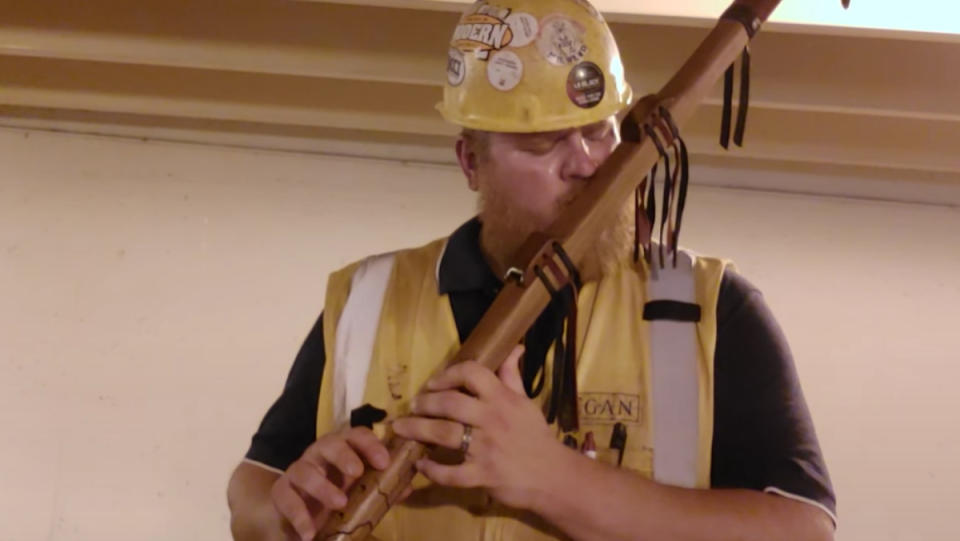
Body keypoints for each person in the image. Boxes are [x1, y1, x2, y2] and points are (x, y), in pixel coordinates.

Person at [226, 0, 836, 540]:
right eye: (543, 143)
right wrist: (287, 517)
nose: (588, 164)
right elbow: (252, 490)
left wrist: (556, 482)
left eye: (600, 132)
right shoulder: (368, 297)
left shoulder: (711, 307)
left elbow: (802, 528)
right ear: (471, 162)